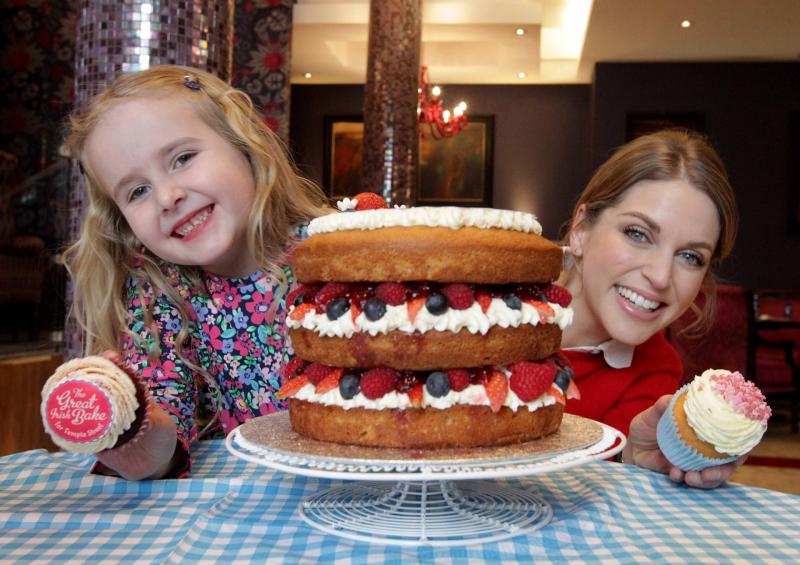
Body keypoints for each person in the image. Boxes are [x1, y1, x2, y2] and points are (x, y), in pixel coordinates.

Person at [62, 65, 329, 480]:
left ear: (244, 145)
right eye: (137, 191)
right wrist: (128, 429)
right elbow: (163, 430)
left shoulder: (334, 254)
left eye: (182, 158)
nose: (168, 197)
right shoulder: (161, 293)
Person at [558, 129, 743, 489]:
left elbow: (589, 485)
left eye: (690, 256)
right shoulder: (477, 309)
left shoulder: (656, 370)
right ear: (581, 230)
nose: (660, 277)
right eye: (638, 234)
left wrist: (631, 459)